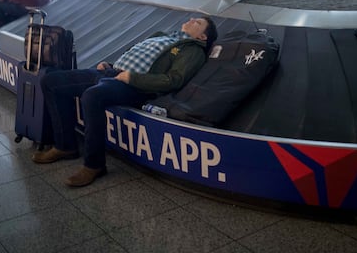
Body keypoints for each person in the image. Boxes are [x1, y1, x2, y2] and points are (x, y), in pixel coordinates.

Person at [32, 16, 218, 187]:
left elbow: (173, 80)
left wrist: (132, 78)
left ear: (202, 37)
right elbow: (136, 57)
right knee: (50, 81)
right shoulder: (163, 36)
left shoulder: (193, 50)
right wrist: (111, 66)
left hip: (136, 86)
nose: (192, 19)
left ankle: (94, 165)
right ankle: (65, 146)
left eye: (198, 23)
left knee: (92, 96)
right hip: (111, 73)